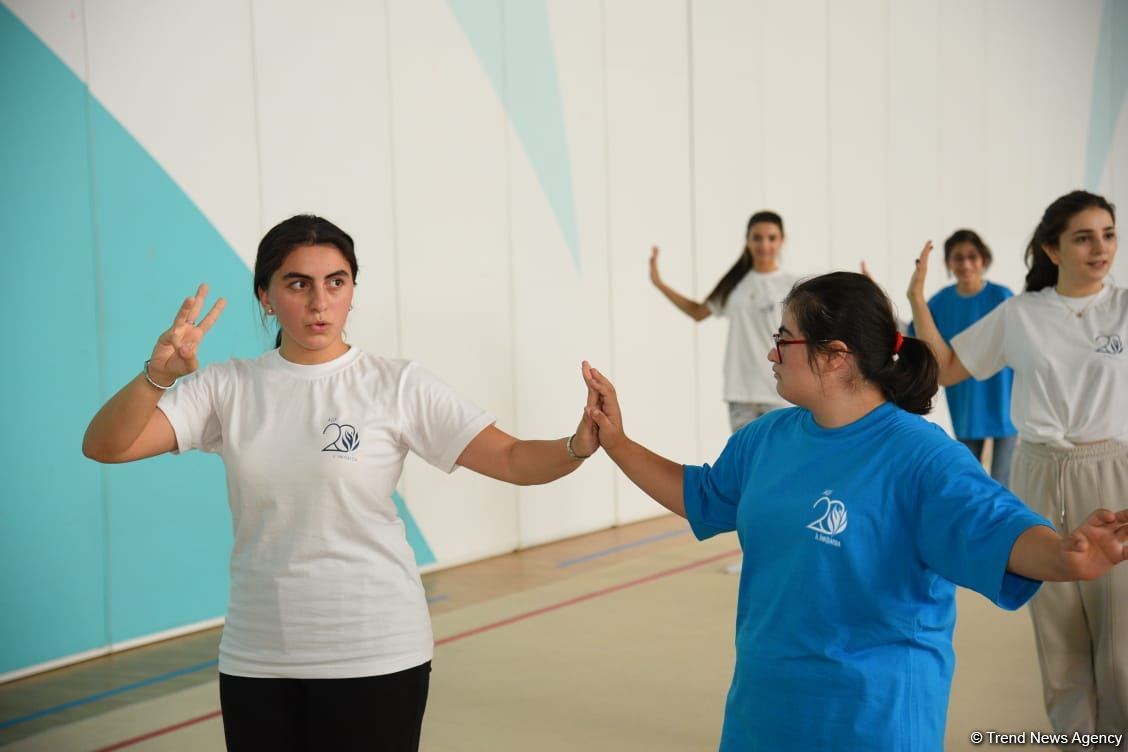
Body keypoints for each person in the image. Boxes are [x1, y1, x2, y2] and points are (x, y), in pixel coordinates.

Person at [82, 215, 601, 752]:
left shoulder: (395, 384)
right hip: (259, 658)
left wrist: (576, 446)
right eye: (297, 283)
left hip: (377, 654)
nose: (319, 302)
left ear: (353, 290)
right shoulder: (228, 386)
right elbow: (107, 445)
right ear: (265, 296)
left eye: (336, 282)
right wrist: (159, 373)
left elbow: (512, 457)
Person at [579, 271, 1128, 751]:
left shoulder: (922, 455)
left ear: (835, 354)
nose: (771, 354)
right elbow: (699, 496)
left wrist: (1064, 556)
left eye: (783, 340)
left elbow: (994, 526)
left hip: (873, 720)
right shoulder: (767, 438)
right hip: (763, 712)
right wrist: (618, 441)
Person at [907, 190, 1127, 741]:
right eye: (1084, 236)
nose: (1100, 247)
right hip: (1036, 473)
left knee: (1121, 639)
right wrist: (917, 302)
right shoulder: (1022, 314)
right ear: (1052, 248)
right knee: (1058, 639)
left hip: (1115, 474)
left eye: (1108, 233)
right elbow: (947, 370)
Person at [649, 211, 797, 432]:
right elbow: (698, 312)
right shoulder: (735, 283)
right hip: (741, 391)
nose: (764, 245)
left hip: (779, 388)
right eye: (757, 238)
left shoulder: (792, 285)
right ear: (747, 240)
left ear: (782, 240)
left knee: (781, 461)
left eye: (771, 238)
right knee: (743, 463)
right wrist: (659, 283)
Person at [907, 229, 1018, 486]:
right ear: (948, 263)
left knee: (1004, 480)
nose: (966, 264)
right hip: (966, 401)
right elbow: (915, 335)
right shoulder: (940, 302)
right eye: (958, 258)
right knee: (970, 479)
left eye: (972, 256)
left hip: (1004, 399)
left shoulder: (1003, 297)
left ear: (983, 259)